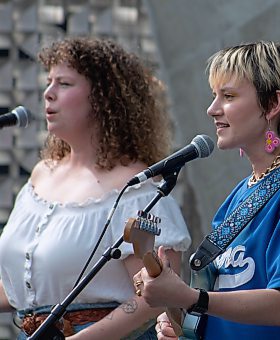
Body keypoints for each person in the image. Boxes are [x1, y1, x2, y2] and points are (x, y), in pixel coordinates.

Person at [134, 41, 280, 339]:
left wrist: (189, 297)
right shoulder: (239, 195)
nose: (212, 109)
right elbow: (225, 308)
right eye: (214, 96)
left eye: (229, 96)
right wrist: (180, 320)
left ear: (273, 104)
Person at [0, 37, 191, 339]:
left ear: (103, 97)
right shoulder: (40, 175)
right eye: (49, 82)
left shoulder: (135, 187)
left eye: (64, 84)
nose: (48, 93)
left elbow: (154, 296)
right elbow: (20, 287)